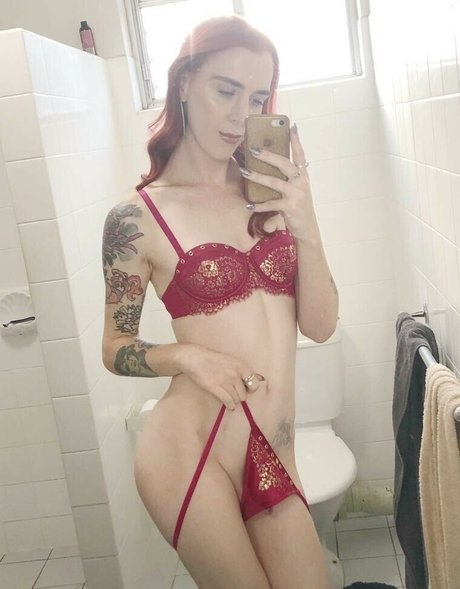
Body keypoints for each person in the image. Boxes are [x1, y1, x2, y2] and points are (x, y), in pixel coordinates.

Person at [102, 14, 338, 589]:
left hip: (272, 451)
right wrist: (188, 357)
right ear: (184, 83)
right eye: (225, 90)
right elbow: (114, 348)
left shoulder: (273, 197)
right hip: (189, 451)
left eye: (256, 98)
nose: (240, 115)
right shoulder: (137, 218)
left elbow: (321, 326)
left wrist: (306, 223)